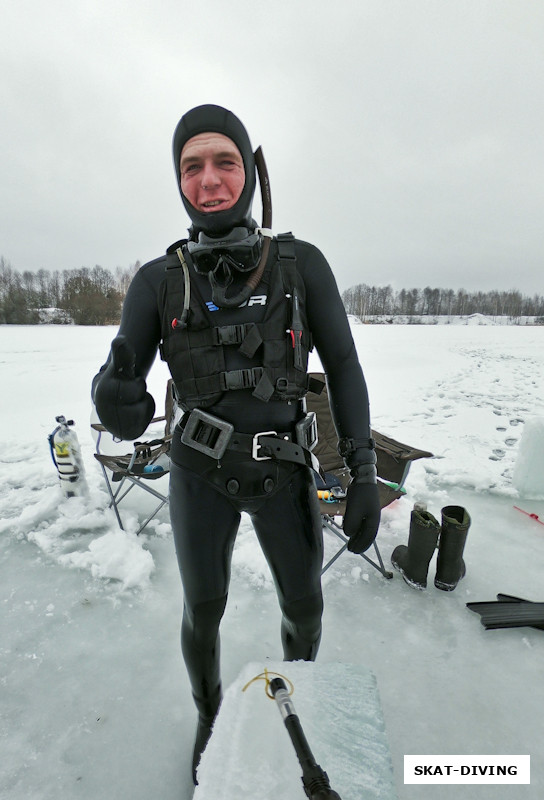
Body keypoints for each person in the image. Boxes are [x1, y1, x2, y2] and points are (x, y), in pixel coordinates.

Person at [92, 104, 381, 782]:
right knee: (204, 608)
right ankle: (207, 709)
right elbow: (124, 382)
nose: (210, 180)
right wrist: (113, 393)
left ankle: (298, 697)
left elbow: (343, 367)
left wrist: (362, 470)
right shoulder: (157, 281)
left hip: (282, 471)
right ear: (179, 181)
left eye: (225, 161)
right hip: (197, 472)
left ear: (249, 172)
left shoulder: (301, 264)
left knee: (305, 608)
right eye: (192, 167)